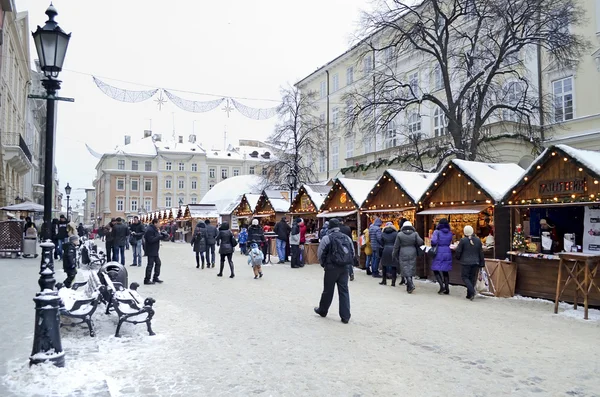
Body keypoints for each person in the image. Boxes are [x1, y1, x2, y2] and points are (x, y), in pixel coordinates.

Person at [313, 218, 353, 324]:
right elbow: (352, 252)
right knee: (344, 291)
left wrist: (324, 264)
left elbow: (320, 253)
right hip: (344, 268)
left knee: (328, 291)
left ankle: (323, 310)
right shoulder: (347, 238)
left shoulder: (327, 238)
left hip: (331, 268)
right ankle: (345, 316)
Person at [392, 221, 423, 294]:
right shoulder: (415, 234)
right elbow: (420, 242)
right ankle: (409, 286)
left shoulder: (400, 234)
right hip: (413, 251)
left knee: (404, 267)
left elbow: (396, 246)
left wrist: (394, 254)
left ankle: (410, 284)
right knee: (411, 267)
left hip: (403, 252)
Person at [455, 225, 485, 301]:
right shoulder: (478, 240)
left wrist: (457, 257)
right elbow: (480, 252)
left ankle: (471, 291)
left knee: (465, 277)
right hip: (475, 262)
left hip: (465, 262)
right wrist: (482, 262)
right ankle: (469, 295)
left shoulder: (463, 240)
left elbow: (458, 251)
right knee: (472, 278)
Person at [431, 218, 453, 294]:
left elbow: (433, 241)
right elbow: (450, 241)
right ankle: (447, 288)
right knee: (445, 270)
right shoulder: (450, 232)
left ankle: (441, 286)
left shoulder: (437, 232)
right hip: (447, 251)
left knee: (435, 269)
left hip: (439, 251)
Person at [144, 218, 166, 284]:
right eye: (159, 223)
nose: (160, 224)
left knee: (158, 263)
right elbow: (151, 240)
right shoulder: (150, 230)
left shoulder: (155, 229)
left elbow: (156, 237)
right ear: (155, 223)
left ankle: (155, 277)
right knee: (150, 265)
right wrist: (159, 237)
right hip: (151, 250)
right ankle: (147, 279)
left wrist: (162, 236)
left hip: (155, 250)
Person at [379, 222, 399, 286]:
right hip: (393, 250)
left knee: (384, 265)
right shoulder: (396, 233)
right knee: (394, 266)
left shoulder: (383, 233)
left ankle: (384, 280)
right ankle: (393, 282)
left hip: (385, 249)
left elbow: (381, 242)